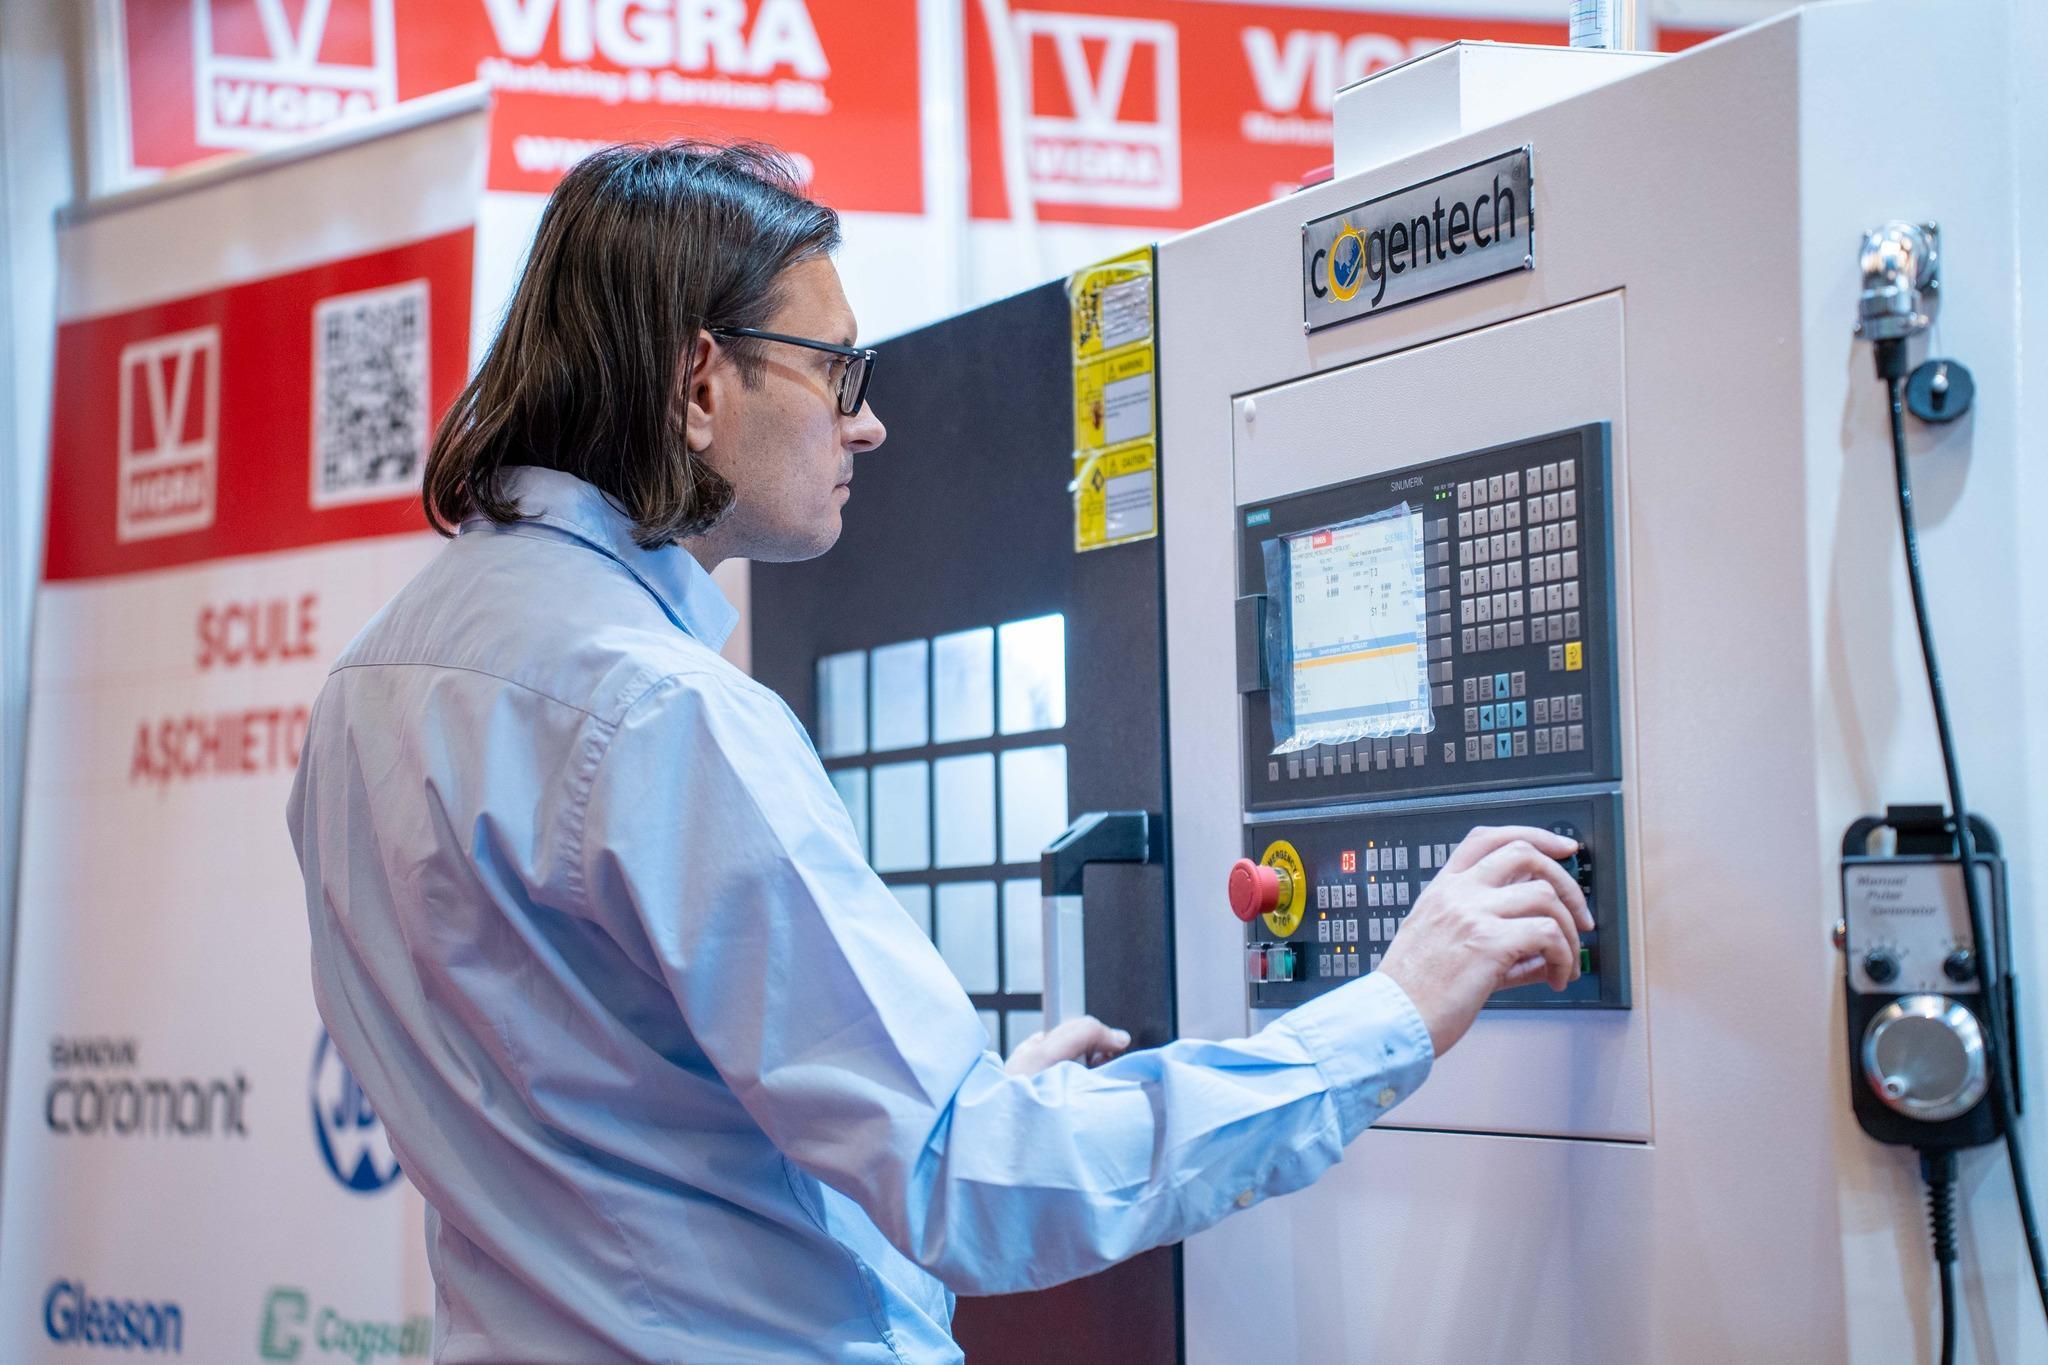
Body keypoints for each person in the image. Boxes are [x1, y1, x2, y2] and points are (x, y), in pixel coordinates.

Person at [286, 142, 1591, 1364]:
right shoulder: (665, 714)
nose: (867, 426)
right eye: (837, 371)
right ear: (700, 384)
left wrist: (922, 1105)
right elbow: (975, 1186)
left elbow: (613, 1126)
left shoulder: (365, 690)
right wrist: (1390, 1012)